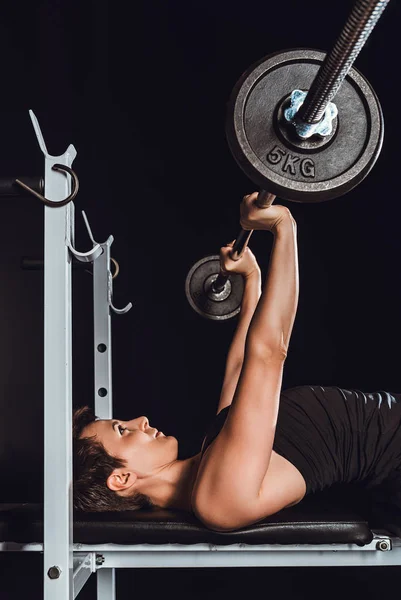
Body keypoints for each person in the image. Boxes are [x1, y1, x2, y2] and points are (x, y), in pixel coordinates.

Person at [73, 193, 401, 534]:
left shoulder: (208, 467)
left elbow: (241, 366)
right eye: (122, 430)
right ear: (122, 478)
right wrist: (283, 228)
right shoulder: (218, 500)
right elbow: (269, 352)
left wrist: (252, 281)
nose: (139, 420)